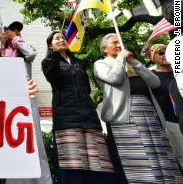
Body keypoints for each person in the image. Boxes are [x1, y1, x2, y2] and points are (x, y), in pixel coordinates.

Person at [94, 33, 183, 183]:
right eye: (114, 43)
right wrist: (121, 58)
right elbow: (114, 78)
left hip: (148, 110)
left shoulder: (131, 62)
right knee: (140, 155)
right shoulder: (101, 64)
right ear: (104, 49)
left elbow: (155, 82)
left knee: (159, 152)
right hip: (125, 115)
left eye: (120, 42)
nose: (119, 45)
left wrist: (133, 62)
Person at [41, 31, 115, 184]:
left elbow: (86, 88)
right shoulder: (48, 62)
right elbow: (53, 78)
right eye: (57, 39)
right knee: (73, 167)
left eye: (63, 38)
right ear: (50, 45)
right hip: (67, 120)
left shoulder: (77, 62)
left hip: (89, 118)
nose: (61, 40)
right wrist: (55, 56)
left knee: (98, 164)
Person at [149, 44, 183, 168]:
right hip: (170, 120)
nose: (165, 55)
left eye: (166, 52)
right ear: (153, 57)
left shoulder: (179, 71)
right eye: (161, 53)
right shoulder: (151, 75)